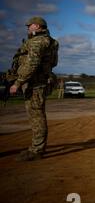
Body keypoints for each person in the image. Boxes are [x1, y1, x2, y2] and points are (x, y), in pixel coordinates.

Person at [8, 16, 59, 161]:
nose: (27, 27)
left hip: (36, 84)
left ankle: (37, 150)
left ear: (37, 26)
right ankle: (36, 148)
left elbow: (32, 64)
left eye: (29, 25)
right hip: (39, 82)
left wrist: (17, 83)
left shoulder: (37, 42)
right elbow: (53, 63)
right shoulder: (51, 42)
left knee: (37, 117)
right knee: (37, 115)